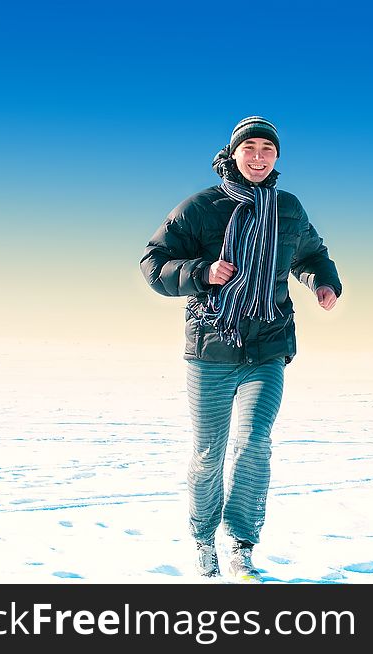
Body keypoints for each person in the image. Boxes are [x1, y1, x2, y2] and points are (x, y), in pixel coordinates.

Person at [139, 116, 342, 581]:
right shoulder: (201, 207)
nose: (257, 157)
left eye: (266, 150)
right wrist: (201, 273)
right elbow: (154, 262)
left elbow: (310, 253)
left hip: (267, 346)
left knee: (253, 444)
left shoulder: (287, 209)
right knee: (209, 452)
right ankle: (203, 540)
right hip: (211, 346)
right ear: (233, 154)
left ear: (276, 159)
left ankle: (241, 544)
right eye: (248, 148)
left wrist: (324, 282)